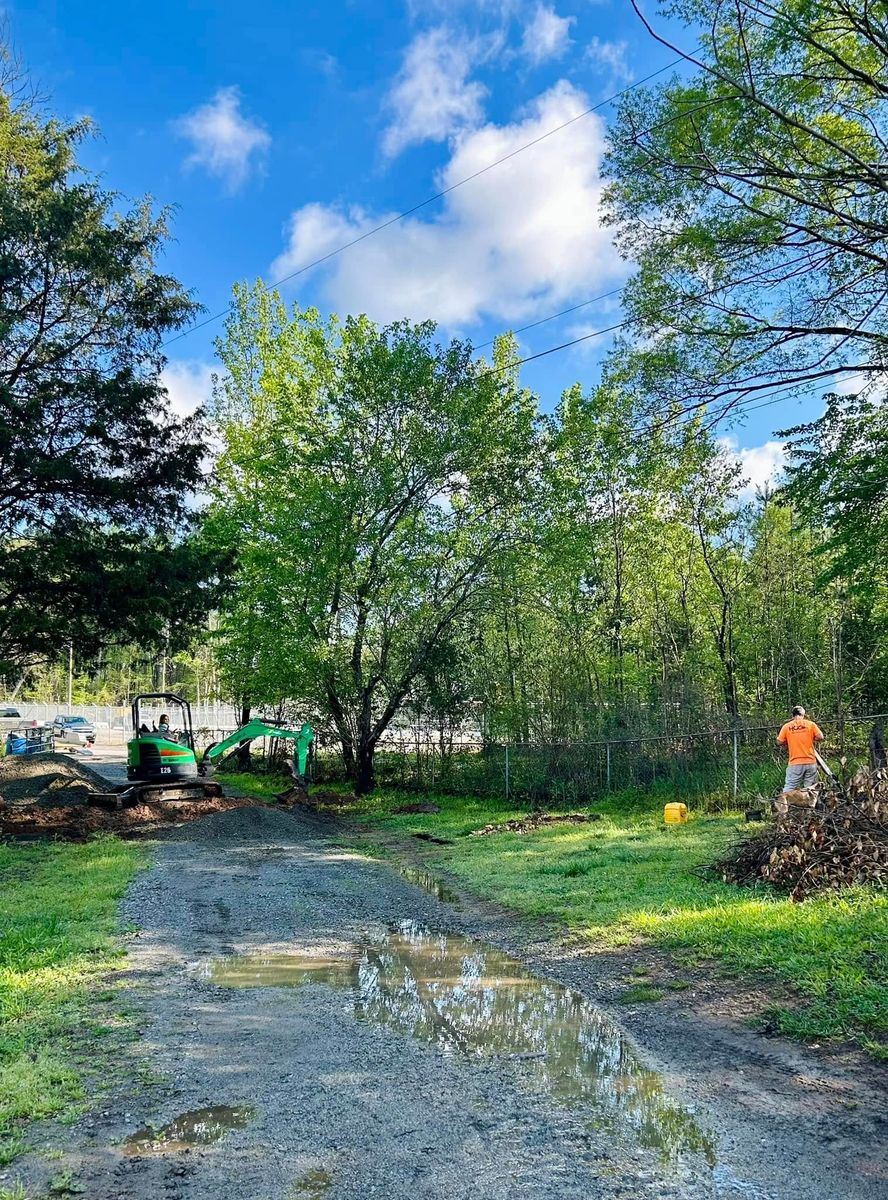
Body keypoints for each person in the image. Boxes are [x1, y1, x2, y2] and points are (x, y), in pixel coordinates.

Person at [776, 705, 824, 791]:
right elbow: (820, 737)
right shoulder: (810, 724)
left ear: (793, 715)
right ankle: (809, 804)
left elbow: (779, 741)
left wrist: (789, 740)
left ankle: (784, 804)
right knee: (810, 790)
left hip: (795, 763)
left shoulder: (787, 726)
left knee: (789, 787)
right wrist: (811, 738)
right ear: (803, 715)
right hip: (810, 762)